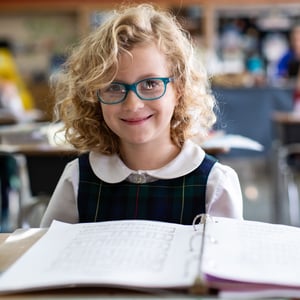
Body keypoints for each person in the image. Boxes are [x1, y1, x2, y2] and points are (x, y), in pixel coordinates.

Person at [40, 3, 243, 227]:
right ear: (94, 97)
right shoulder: (78, 179)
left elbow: (225, 260)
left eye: (150, 83)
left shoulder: (214, 183)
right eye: (114, 87)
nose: (133, 104)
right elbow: (52, 255)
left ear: (179, 89)